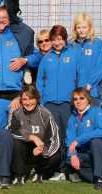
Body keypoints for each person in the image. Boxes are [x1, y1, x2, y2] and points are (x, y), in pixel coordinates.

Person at [36, 25, 82, 181]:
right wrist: (42, 101)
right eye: (54, 39)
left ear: (65, 39)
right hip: (50, 105)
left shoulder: (74, 55)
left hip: (67, 104)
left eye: (60, 39)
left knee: (69, 137)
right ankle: (57, 170)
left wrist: (77, 100)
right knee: (54, 137)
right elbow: (39, 82)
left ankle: (70, 169)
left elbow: (80, 79)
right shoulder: (46, 58)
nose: (57, 42)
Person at [66, 88, 102, 191]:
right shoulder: (72, 118)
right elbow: (69, 141)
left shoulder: (97, 111)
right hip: (88, 155)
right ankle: (96, 176)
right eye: (75, 99)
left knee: (95, 142)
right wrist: (73, 155)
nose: (78, 101)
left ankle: (100, 179)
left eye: (82, 98)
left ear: (88, 100)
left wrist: (79, 140)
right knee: (68, 158)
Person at [8, 85, 60, 184]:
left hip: (39, 150)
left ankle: (39, 172)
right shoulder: (15, 111)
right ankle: (19, 175)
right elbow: (12, 130)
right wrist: (33, 137)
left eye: (31, 99)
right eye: (24, 99)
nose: (28, 102)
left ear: (37, 98)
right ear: (21, 100)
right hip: (22, 151)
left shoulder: (45, 113)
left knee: (56, 156)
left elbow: (55, 138)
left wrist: (43, 150)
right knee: (16, 143)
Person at [71, 12, 102, 105]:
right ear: (75, 29)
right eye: (78, 27)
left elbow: (100, 68)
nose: (81, 30)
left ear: (90, 28)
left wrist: (90, 84)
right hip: (75, 93)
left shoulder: (97, 43)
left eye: (84, 27)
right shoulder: (71, 45)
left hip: (92, 92)